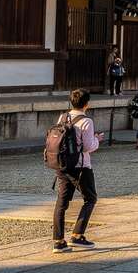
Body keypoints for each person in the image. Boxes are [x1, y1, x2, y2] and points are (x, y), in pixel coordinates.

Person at [53, 89, 103, 253]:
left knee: (62, 202)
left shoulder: (63, 117)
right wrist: (97, 139)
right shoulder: (86, 121)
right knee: (90, 198)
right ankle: (77, 234)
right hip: (81, 166)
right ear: (87, 104)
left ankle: (58, 241)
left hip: (63, 165)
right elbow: (88, 146)